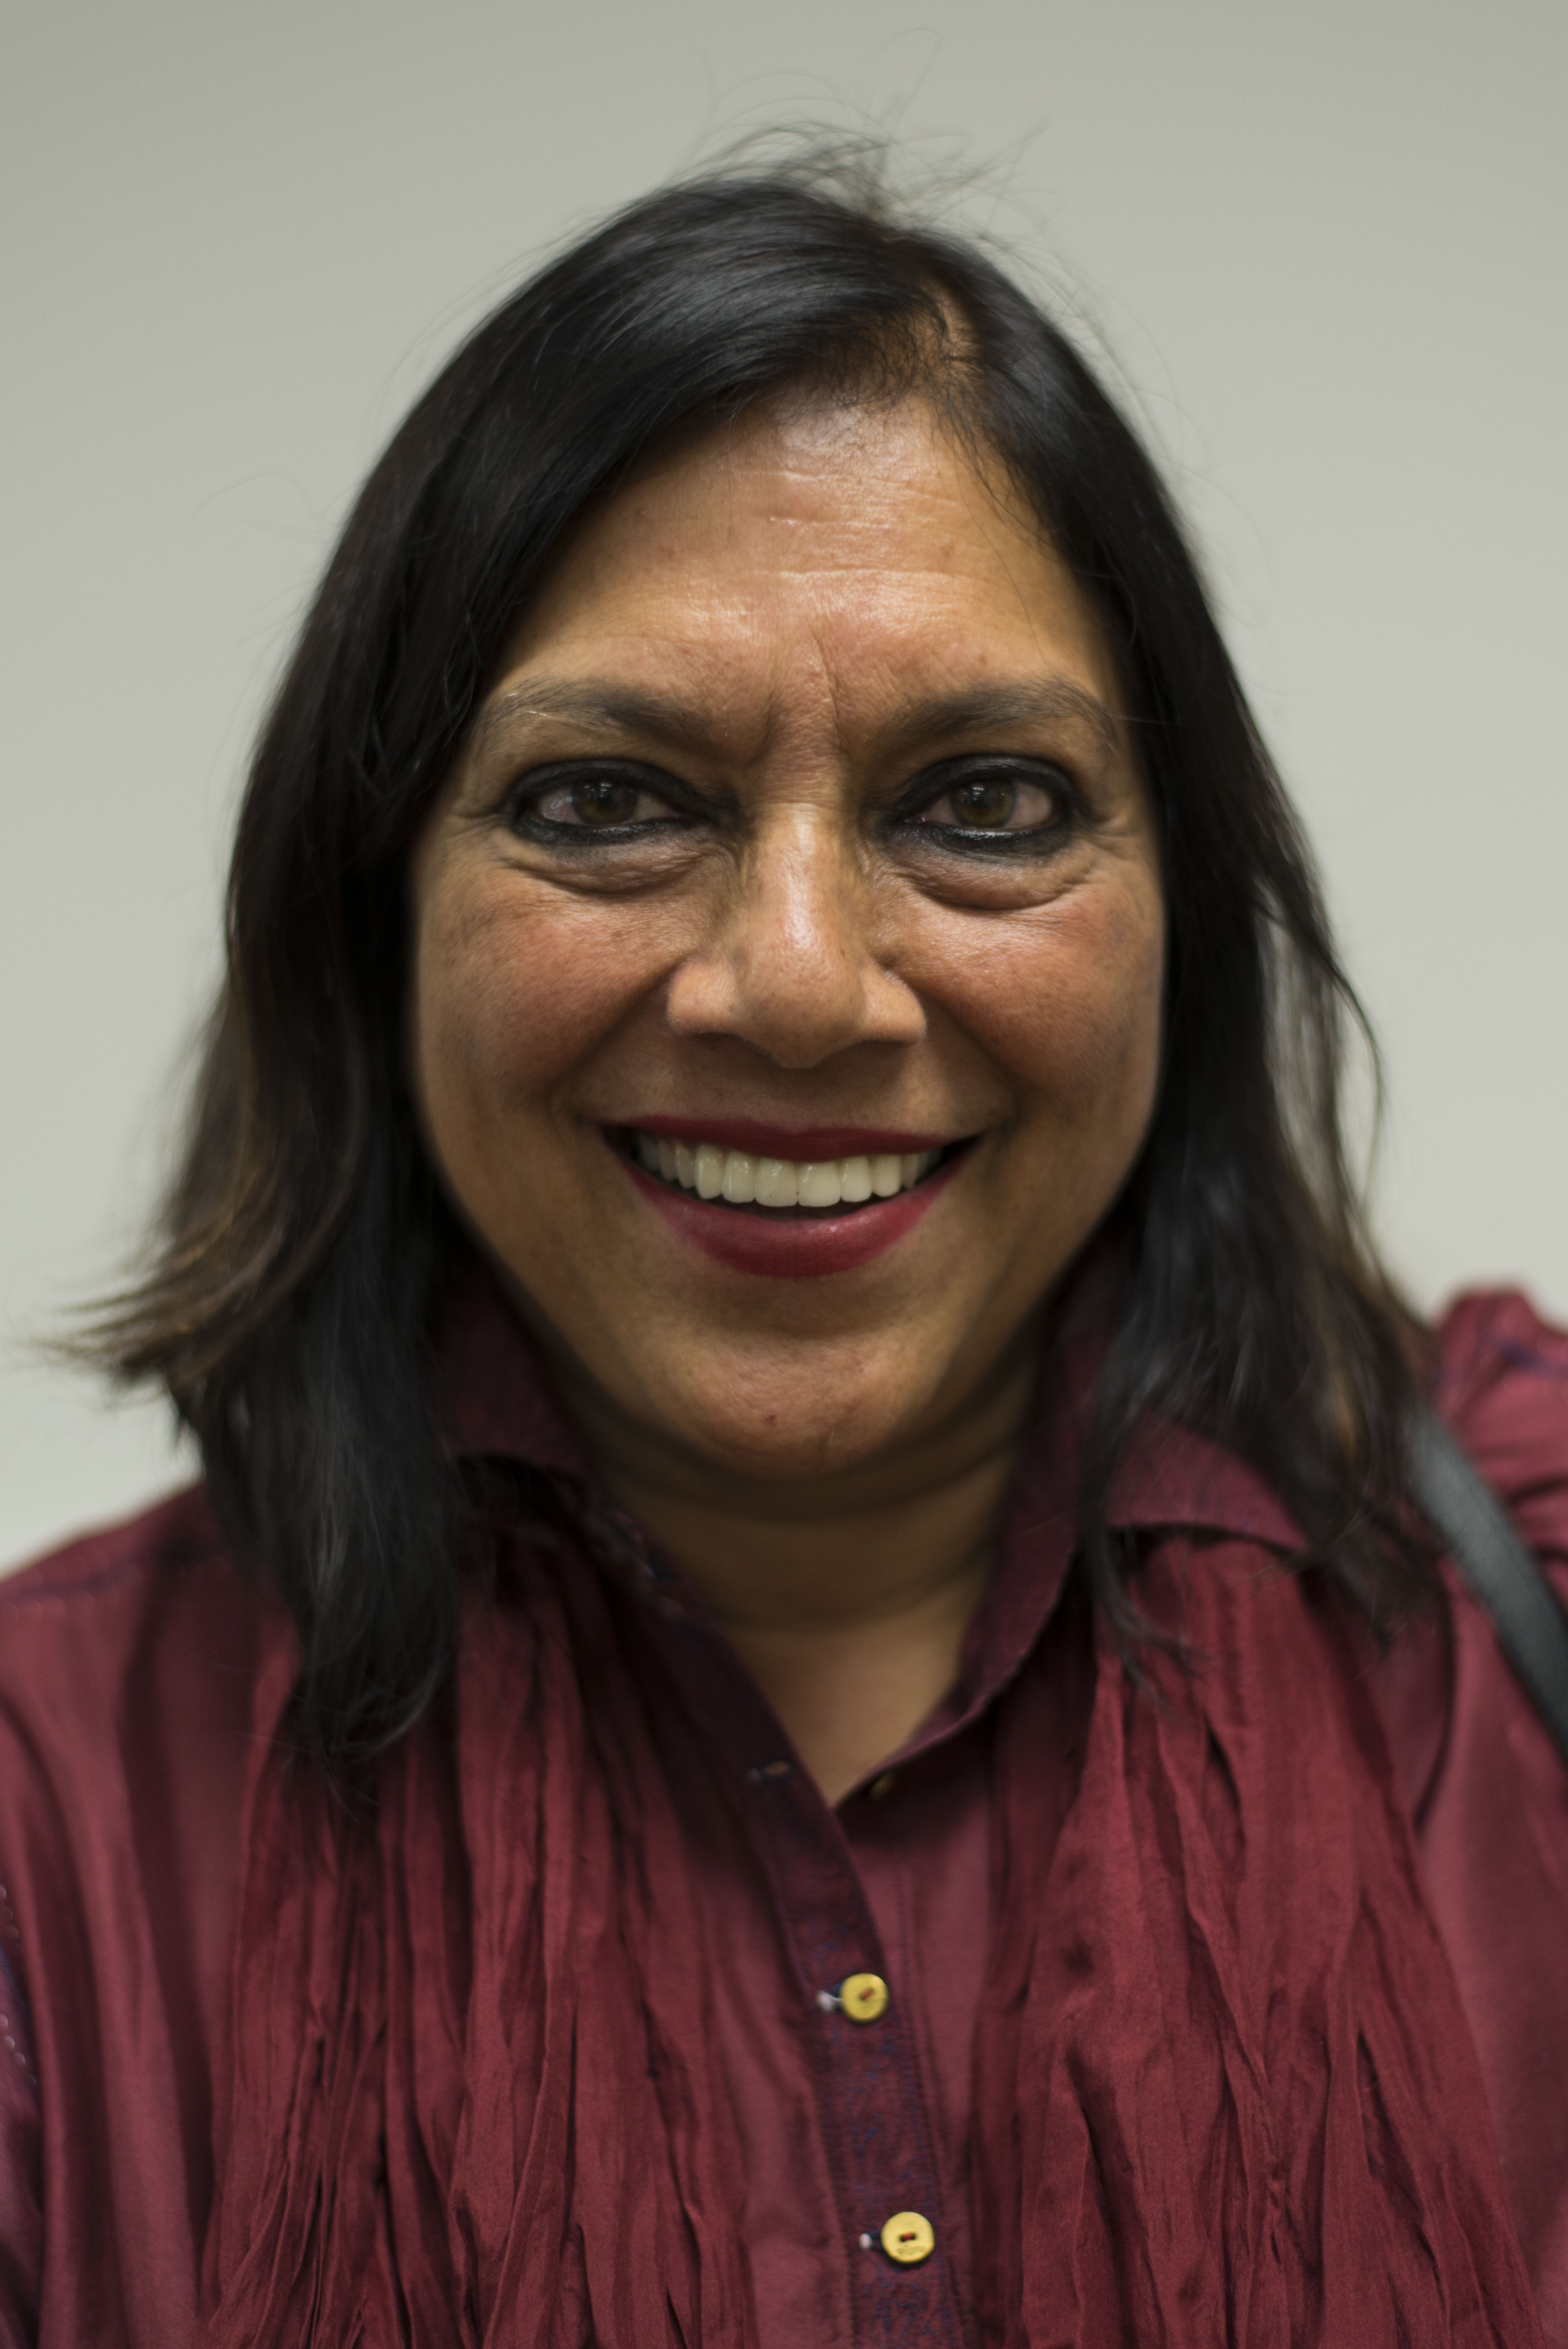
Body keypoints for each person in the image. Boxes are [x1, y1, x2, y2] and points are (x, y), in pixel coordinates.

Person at [0, 158, 1564, 2349]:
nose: (803, 986)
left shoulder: (1525, 1624)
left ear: (1183, 923)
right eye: (609, 801)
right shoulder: (42, 1821)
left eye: (985, 802)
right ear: (372, 910)